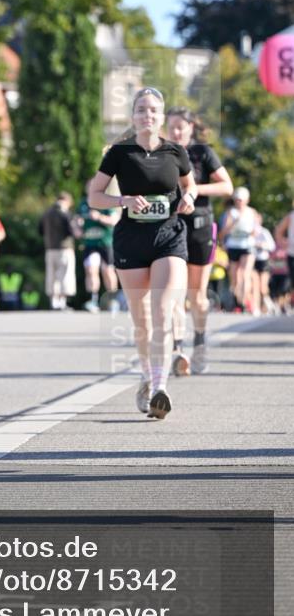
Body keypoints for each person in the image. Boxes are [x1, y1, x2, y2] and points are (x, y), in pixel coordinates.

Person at [88, 87, 197, 419]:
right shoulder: (120, 153)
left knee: (163, 310)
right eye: (141, 110)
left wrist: (189, 198)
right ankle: (147, 379)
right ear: (132, 116)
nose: (147, 115)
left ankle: (160, 388)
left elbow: (189, 184)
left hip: (169, 237)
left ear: (161, 117)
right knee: (142, 320)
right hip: (131, 240)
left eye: (153, 110)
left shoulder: (176, 151)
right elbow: (94, 196)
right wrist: (122, 200)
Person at [165, 108, 233, 375]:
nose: (176, 132)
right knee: (174, 294)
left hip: (201, 228)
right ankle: (177, 351)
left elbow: (226, 186)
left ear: (191, 127)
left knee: (197, 295)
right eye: (171, 127)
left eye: (181, 127)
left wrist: (192, 191)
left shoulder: (202, 152)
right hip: (172, 228)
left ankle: (201, 341)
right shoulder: (162, 153)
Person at [75, 180, 120, 313]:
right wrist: (77, 226)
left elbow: (114, 220)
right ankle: (93, 300)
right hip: (90, 244)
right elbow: (75, 223)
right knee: (91, 270)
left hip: (105, 243)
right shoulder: (83, 204)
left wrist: (99, 217)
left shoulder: (106, 202)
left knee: (107, 272)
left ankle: (112, 301)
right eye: (89, 187)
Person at [219, 187, 258, 312]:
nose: (239, 202)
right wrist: (234, 223)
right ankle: (237, 298)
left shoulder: (252, 212)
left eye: (241, 200)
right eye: (237, 200)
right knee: (235, 276)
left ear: (247, 200)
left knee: (246, 273)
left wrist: (253, 232)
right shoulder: (231, 213)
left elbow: (256, 231)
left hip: (247, 245)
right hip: (234, 245)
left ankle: (244, 301)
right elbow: (223, 232)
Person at [39, 192, 77, 310]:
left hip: (50, 248)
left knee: (51, 275)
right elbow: (71, 230)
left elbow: (40, 230)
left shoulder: (46, 213)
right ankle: (62, 301)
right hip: (64, 248)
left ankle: (53, 301)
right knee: (64, 274)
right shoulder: (65, 213)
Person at [252, 213, 277, 315]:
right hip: (252, 260)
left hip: (263, 261)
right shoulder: (248, 232)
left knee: (262, 287)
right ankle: (256, 307)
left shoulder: (264, 232)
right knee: (254, 285)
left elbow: (272, 246)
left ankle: (267, 303)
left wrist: (261, 245)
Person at [274, 204, 294, 311]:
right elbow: (278, 231)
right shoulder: (291, 216)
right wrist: (282, 243)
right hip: (292, 253)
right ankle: (288, 303)